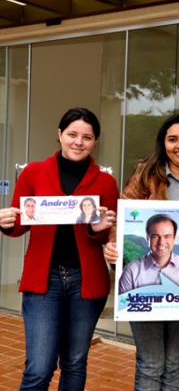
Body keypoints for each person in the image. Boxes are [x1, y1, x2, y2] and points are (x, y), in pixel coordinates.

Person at [0, 107, 119, 391]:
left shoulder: (106, 182)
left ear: (95, 141)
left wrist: (100, 229)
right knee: (39, 368)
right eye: (72, 134)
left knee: (75, 364)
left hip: (87, 281)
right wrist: (6, 223)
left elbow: (109, 240)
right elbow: (19, 225)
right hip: (43, 280)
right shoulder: (33, 172)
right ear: (60, 135)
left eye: (87, 137)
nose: (79, 142)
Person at [104, 113, 179, 391]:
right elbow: (121, 218)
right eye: (173, 139)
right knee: (152, 361)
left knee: (175, 361)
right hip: (143, 284)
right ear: (163, 143)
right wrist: (113, 247)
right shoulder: (145, 175)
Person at [118, 213, 179, 294]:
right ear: (147, 239)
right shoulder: (131, 271)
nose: (161, 242)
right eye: (155, 236)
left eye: (167, 236)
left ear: (174, 239)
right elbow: (123, 305)